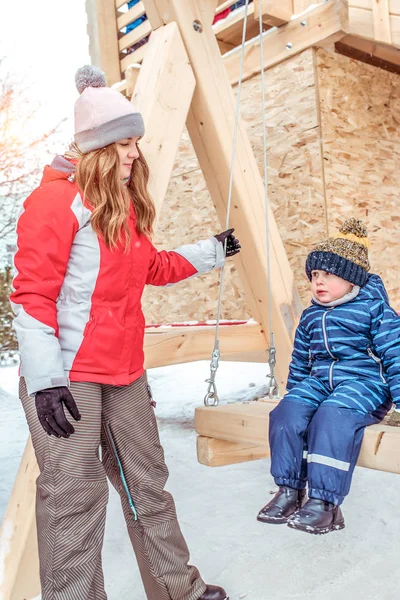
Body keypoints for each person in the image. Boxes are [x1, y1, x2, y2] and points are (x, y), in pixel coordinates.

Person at [10, 65, 239, 600]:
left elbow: (150, 267)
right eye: (124, 143)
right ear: (96, 148)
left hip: (124, 370)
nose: (135, 153)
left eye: (136, 142)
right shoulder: (53, 203)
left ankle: (176, 589)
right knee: (74, 493)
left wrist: (210, 251)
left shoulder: (122, 207)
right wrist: (45, 381)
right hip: (66, 376)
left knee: (147, 483)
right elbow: (33, 296)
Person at [257, 218, 400, 535]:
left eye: (329, 275)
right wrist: (295, 398)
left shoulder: (376, 312)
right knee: (286, 413)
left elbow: (396, 355)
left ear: (352, 279)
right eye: (315, 275)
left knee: (330, 417)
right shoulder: (311, 316)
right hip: (321, 384)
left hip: (364, 387)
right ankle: (289, 491)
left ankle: (325, 503)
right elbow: (300, 361)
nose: (318, 281)